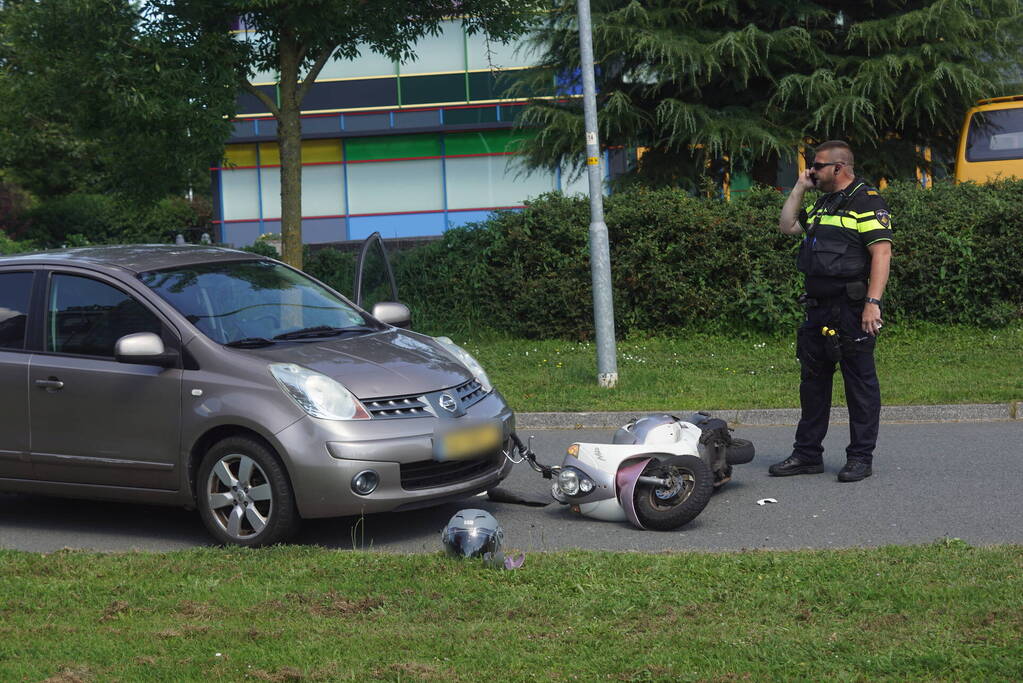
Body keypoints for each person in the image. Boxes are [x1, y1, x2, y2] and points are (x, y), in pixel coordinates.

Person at [769, 140, 893, 482]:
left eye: (817, 165)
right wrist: (799, 187)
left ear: (838, 168)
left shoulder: (866, 202)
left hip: (851, 309)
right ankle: (807, 454)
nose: (812, 170)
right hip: (818, 310)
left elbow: (881, 253)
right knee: (813, 384)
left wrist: (873, 303)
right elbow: (787, 225)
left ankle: (860, 458)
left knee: (860, 386)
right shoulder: (824, 203)